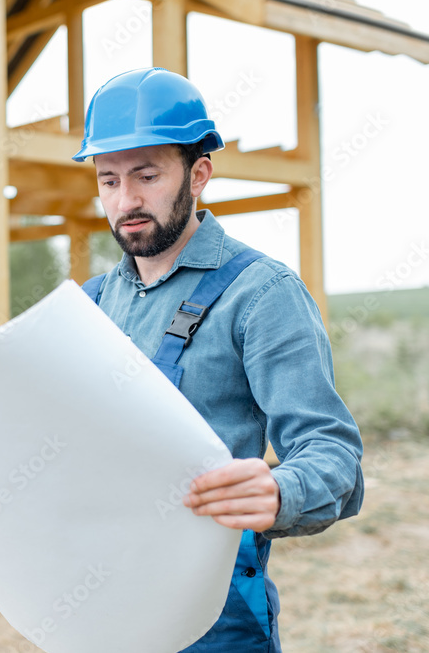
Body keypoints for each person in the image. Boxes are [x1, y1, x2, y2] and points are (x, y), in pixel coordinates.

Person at [72, 67, 364, 652]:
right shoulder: (89, 305)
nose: (125, 200)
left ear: (199, 173)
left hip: (213, 613)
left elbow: (336, 456)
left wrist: (282, 491)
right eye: (108, 181)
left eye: (147, 175)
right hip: (99, 598)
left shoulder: (262, 293)